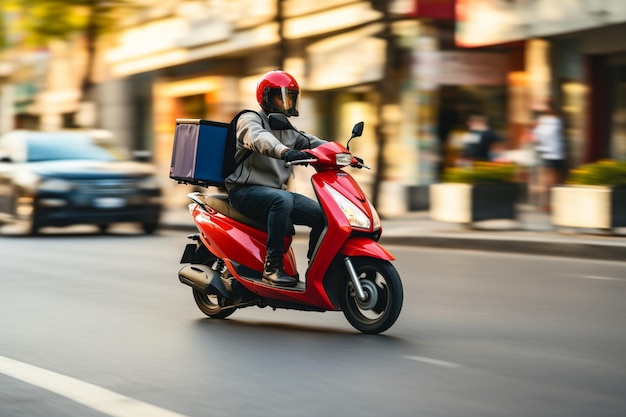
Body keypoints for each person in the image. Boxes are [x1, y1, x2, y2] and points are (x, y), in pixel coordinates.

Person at [224, 70, 326, 288]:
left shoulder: (286, 127)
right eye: (282, 96)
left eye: (291, 96)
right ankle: (272, 268)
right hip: (244, 192)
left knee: (322, 215)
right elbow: (258, 138)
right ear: (267, 97)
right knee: (283, 200)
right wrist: (283, 151)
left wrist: (342, 153)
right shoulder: (249, 119)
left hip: (274, 194)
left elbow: (312, 141)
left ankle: (318, 270)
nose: (287, 101)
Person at [532, 100, 565, 210]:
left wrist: (537, 127)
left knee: (550, 181)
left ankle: (552, 204)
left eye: (542, 105)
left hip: (553, 154)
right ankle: (547, 203)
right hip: (546, 153)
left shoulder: (554, 120)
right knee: (546, 181)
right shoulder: (545, 120)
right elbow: (536, 135)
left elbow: (544, 134)